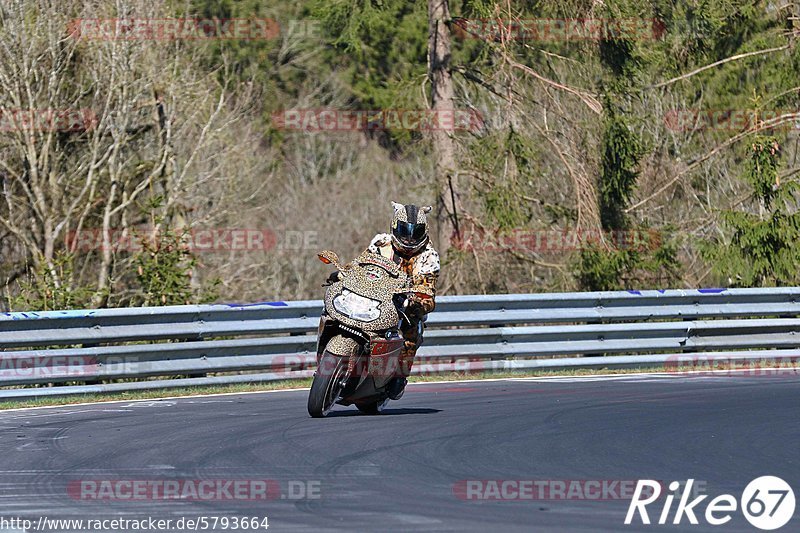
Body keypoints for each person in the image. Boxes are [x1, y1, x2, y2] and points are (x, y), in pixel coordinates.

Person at [328, 202, 440, 399]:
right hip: (370, 296)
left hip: (402, 306)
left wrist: (419, 300)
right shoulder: (381, 242)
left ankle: (399, 376)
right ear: (394, 226)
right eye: (404, 231)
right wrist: (343, 273)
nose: (409, 237)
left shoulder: (428, 256)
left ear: (425, 231)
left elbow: (428, 288)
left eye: (416, 232)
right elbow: (359, 264)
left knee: (411, 331)